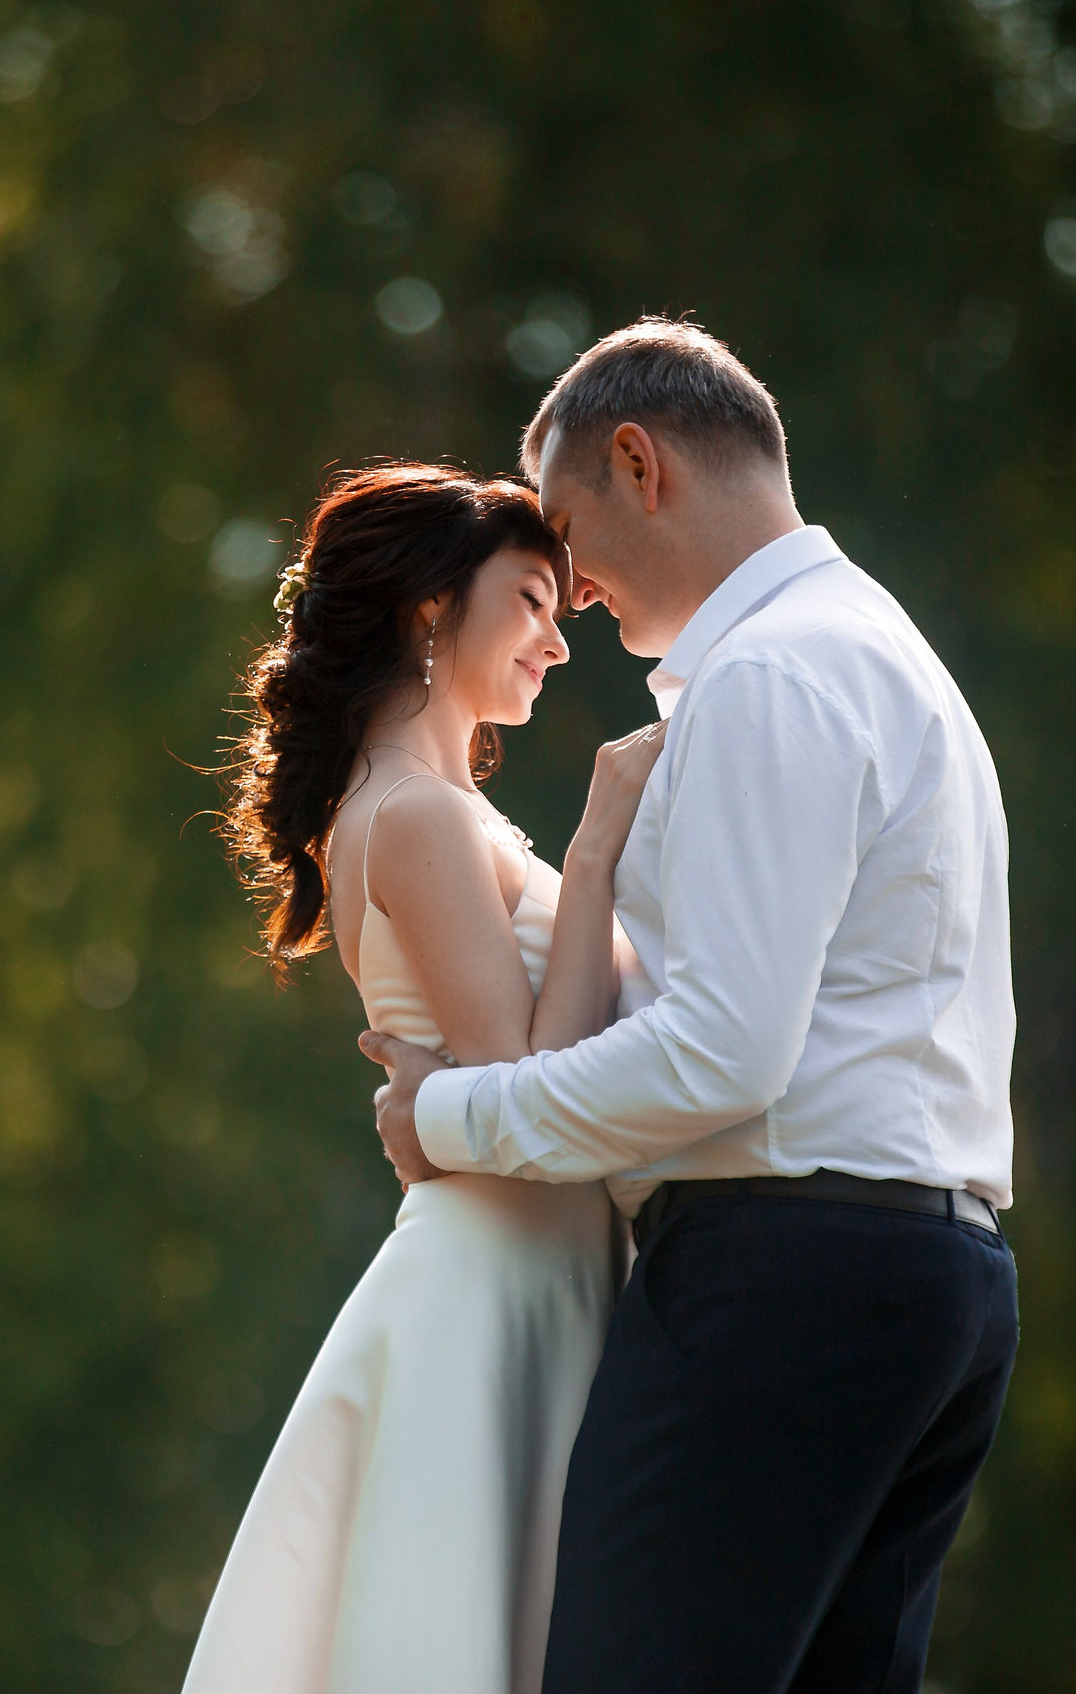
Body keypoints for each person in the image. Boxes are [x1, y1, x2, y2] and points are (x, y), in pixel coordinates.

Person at [364, 318, 1020, 1694]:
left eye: (566, 524)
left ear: (638, 462)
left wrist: (454, 1112)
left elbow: (725, 1050)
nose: (574, 590)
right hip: (930, 1280)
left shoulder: (773, 672)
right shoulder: (881, 648)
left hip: (787, 1283)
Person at [187, 463, 667, 1694]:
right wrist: (600, 845)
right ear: (426, 612)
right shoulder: (417, 816)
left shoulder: (427, 810)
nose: (559, 645)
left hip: (538, 1270)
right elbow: (528, 1089)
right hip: (496, 1280)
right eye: (531, 602)